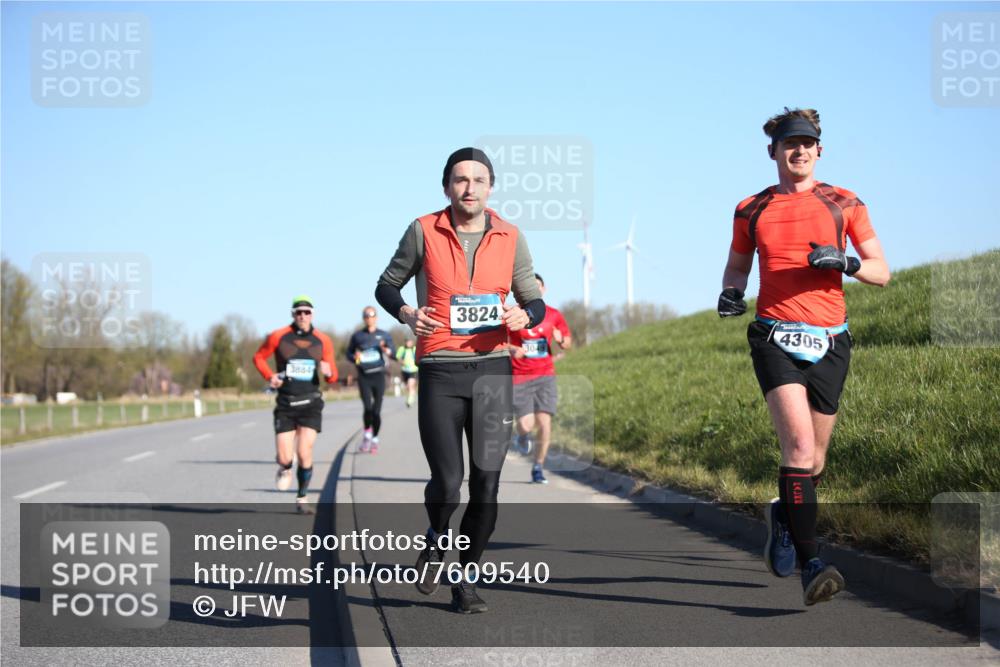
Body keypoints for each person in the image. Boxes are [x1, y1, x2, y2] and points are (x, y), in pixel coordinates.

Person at [718, 108, 889, 606]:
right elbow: (736, 266)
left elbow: (882, 270)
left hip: (831, 339)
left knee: (814, 461)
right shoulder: (751, 209)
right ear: (773, 151)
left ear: (820, 150)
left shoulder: (844, 202)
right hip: (774, 336)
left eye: (808, 143)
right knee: (796, 449)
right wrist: (731, 293)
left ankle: (786, 522)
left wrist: (848, 262)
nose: (799, 150)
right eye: (790, 143)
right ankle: (813, 565)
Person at [375, 147, 545, 614]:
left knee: (487, 484)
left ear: (491, 187)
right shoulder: (423, 229)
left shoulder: (511, 236)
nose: (469, 188)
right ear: (447, 186)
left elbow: (534, 298)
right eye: (460, 180)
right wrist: (408, 312)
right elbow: (386, 285)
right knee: (448, 482)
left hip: (493, 369)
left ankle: (465, 579)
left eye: (478, 180)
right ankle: (435, 536)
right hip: (439, 369)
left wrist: (523, 312)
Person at [253, 295, 338, 514]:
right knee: (284, 457)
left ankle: (302, 497)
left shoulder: (323, 340)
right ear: (293, 314)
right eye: (298, 312)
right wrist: (269, 376)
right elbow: (258, 358)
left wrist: (329, 374)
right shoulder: (278, 336)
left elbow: (333, 374)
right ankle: (284, 467)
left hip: (311, 402)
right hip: (286, 403)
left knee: (304, 451)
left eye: (306, 312)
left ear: (312, 314)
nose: (302, 316)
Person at [508, 274, 572, 484]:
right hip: (520, 376)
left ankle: (538, 467)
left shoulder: (553, 315)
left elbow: (567, 341)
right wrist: (512, 348)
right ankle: (523, 435)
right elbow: (498, 343)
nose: (533, 290)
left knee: (545, 423)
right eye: (529, 287)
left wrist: (562, 340)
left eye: (537, 287)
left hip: (546, 375)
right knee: (526, 425)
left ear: (544, 289)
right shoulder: (513, 316)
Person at [346, 307, 394, 453]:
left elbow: (394, 353)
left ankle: (374, 439)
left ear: (376, 317)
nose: (369, 318)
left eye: (372, 315)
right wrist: (354, 357)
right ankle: (367, 434)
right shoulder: (357, 336)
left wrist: (386, 350)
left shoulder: (384, 335)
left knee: (376, 411)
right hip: (364, 376)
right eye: (366, 316)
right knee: (367, 408)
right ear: (363, 318)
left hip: (379, 375)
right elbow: (348, 353)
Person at [396, 338, 419, 408]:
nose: (409, 343)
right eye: (407, 342)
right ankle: (410, 396)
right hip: (405, 370)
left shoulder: (414, 349)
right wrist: (401, 362)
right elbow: (397, 357)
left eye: (410, 342)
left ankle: (410, 401)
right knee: (407, 386)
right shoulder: (402, 349)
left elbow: (418, 357)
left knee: (410, 385)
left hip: (413, 370)